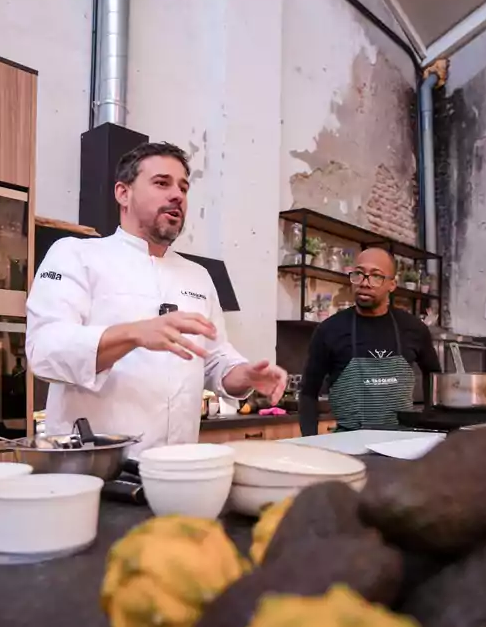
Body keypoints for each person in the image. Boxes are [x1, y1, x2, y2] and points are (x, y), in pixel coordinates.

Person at [26, 142, 287, 451]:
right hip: (94, 468)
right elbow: (44, 351)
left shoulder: (198, 276)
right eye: (162, 183)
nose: (177, 195)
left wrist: (244, 375)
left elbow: (214, 358)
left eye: (183, 187)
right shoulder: (74, 254)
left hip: (174, 468)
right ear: (123, 193)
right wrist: (134, 333)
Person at [298, 247, 440, 435]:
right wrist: (310, 442)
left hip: (402, 445)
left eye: (376, 276)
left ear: (392, 284)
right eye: (359, 274)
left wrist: (431, 425)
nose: (365, 283)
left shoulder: (414, 328)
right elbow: (308, 393)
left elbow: (434, 378)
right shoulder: (329, 330)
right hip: (347, 447)